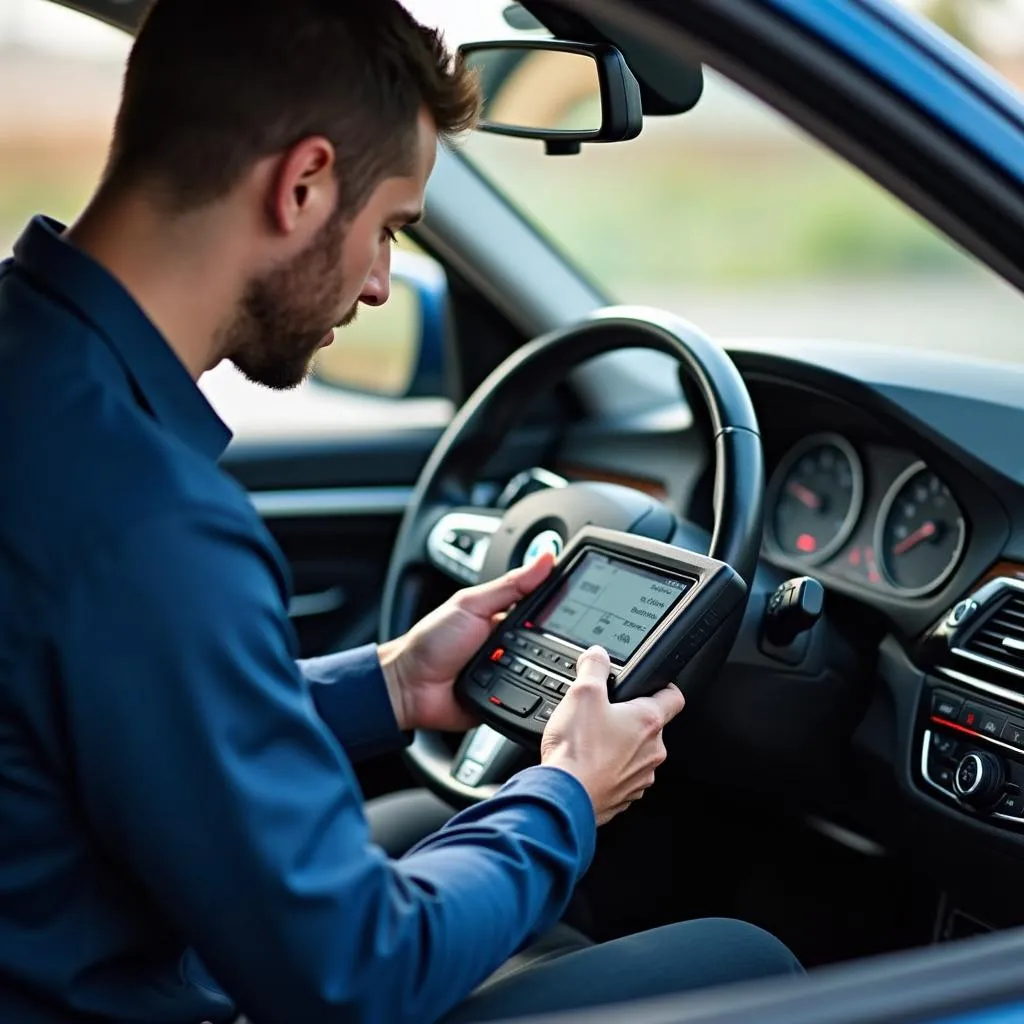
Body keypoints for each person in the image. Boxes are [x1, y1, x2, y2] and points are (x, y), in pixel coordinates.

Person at [0, 1, 801, 1022]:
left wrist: (390, 682)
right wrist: (565, 795)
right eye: (386, 230)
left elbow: (107, 696)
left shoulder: (38, 388)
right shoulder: (153, 518)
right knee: (746, 963)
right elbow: (356, 975)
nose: (381, 285)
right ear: (302, 185)